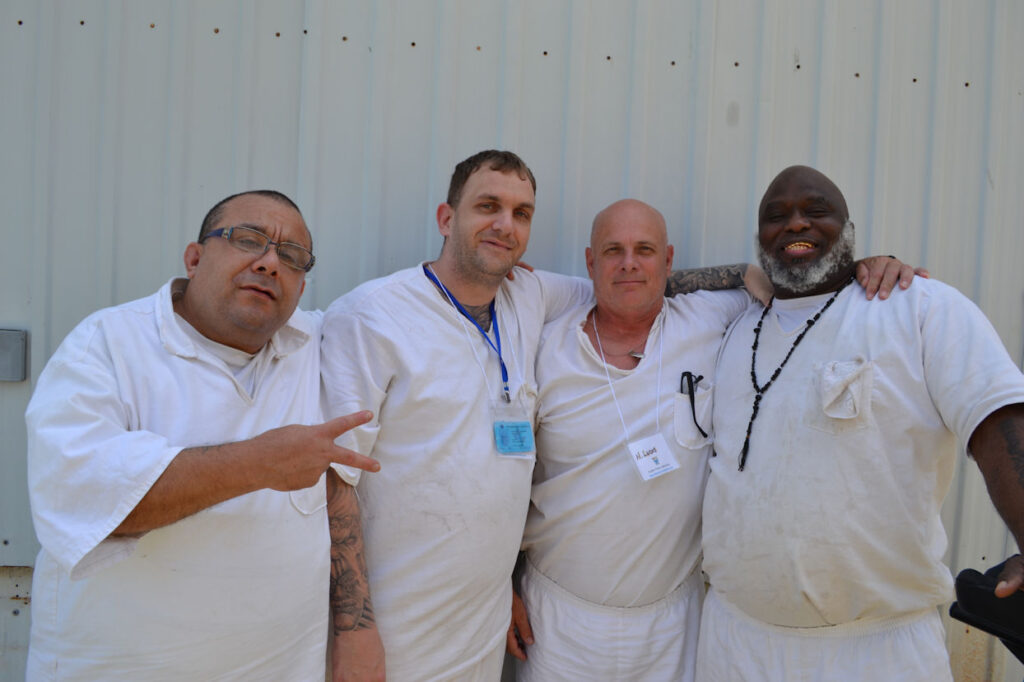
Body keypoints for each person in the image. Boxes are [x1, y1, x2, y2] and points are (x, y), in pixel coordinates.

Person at [321, 151, 911, 681]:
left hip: (662, 621)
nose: (504, 224)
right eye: (487, 207)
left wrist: (857, 268)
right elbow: (337, 474)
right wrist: (357, 627)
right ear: (446, 218)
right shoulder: (405, 316)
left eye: (520, 213)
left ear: (667, 260)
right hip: (524, 619)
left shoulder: (687, 315)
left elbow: (792, 287)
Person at [507, 199, 913, 681]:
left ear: (669, 260)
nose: (629, 263)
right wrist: (500, 587)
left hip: (675, 626)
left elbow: (806, 288)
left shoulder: (712, 317)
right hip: (558, 623)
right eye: (613, 250)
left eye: (645, 250)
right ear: (590, 262)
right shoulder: (545, 348)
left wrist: (867, 268)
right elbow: (505, 479)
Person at [25, 190, 380, 680]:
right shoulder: (107, 345)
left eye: (292, 256)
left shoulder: (315, 349)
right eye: (248, 239)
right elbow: (86, 499)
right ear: (194, 259)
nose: (269, 263)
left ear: (301, 289)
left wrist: (357, 630)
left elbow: (337, 492)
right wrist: (259, 463)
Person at [697, 165, 1024, 681]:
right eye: (776, 216)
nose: (795, 223)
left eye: (816, 210)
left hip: (877, 652)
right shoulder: (734, 325)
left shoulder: (918, 308)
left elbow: (996, 418)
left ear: (849, 230)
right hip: (734, 645)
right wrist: (740, 273)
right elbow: (639, 281)